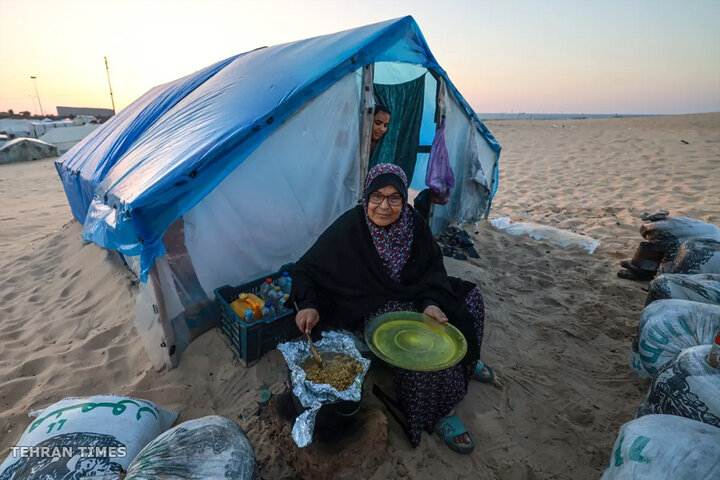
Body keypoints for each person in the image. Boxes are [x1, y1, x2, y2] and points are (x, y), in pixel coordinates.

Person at [289, 163, 494, 454]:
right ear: (366, 197)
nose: (384, 206)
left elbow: (432, 269)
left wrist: (431, 303)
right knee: (418, 351)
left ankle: (465, 364)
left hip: (416, 294)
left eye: (394, 197)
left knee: (470, 300)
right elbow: (306, 269)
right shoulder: (351, 226)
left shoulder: (414, 225)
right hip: (372, 303)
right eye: (377, 197)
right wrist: (307, 305)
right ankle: (442, 413)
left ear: (404, 199)